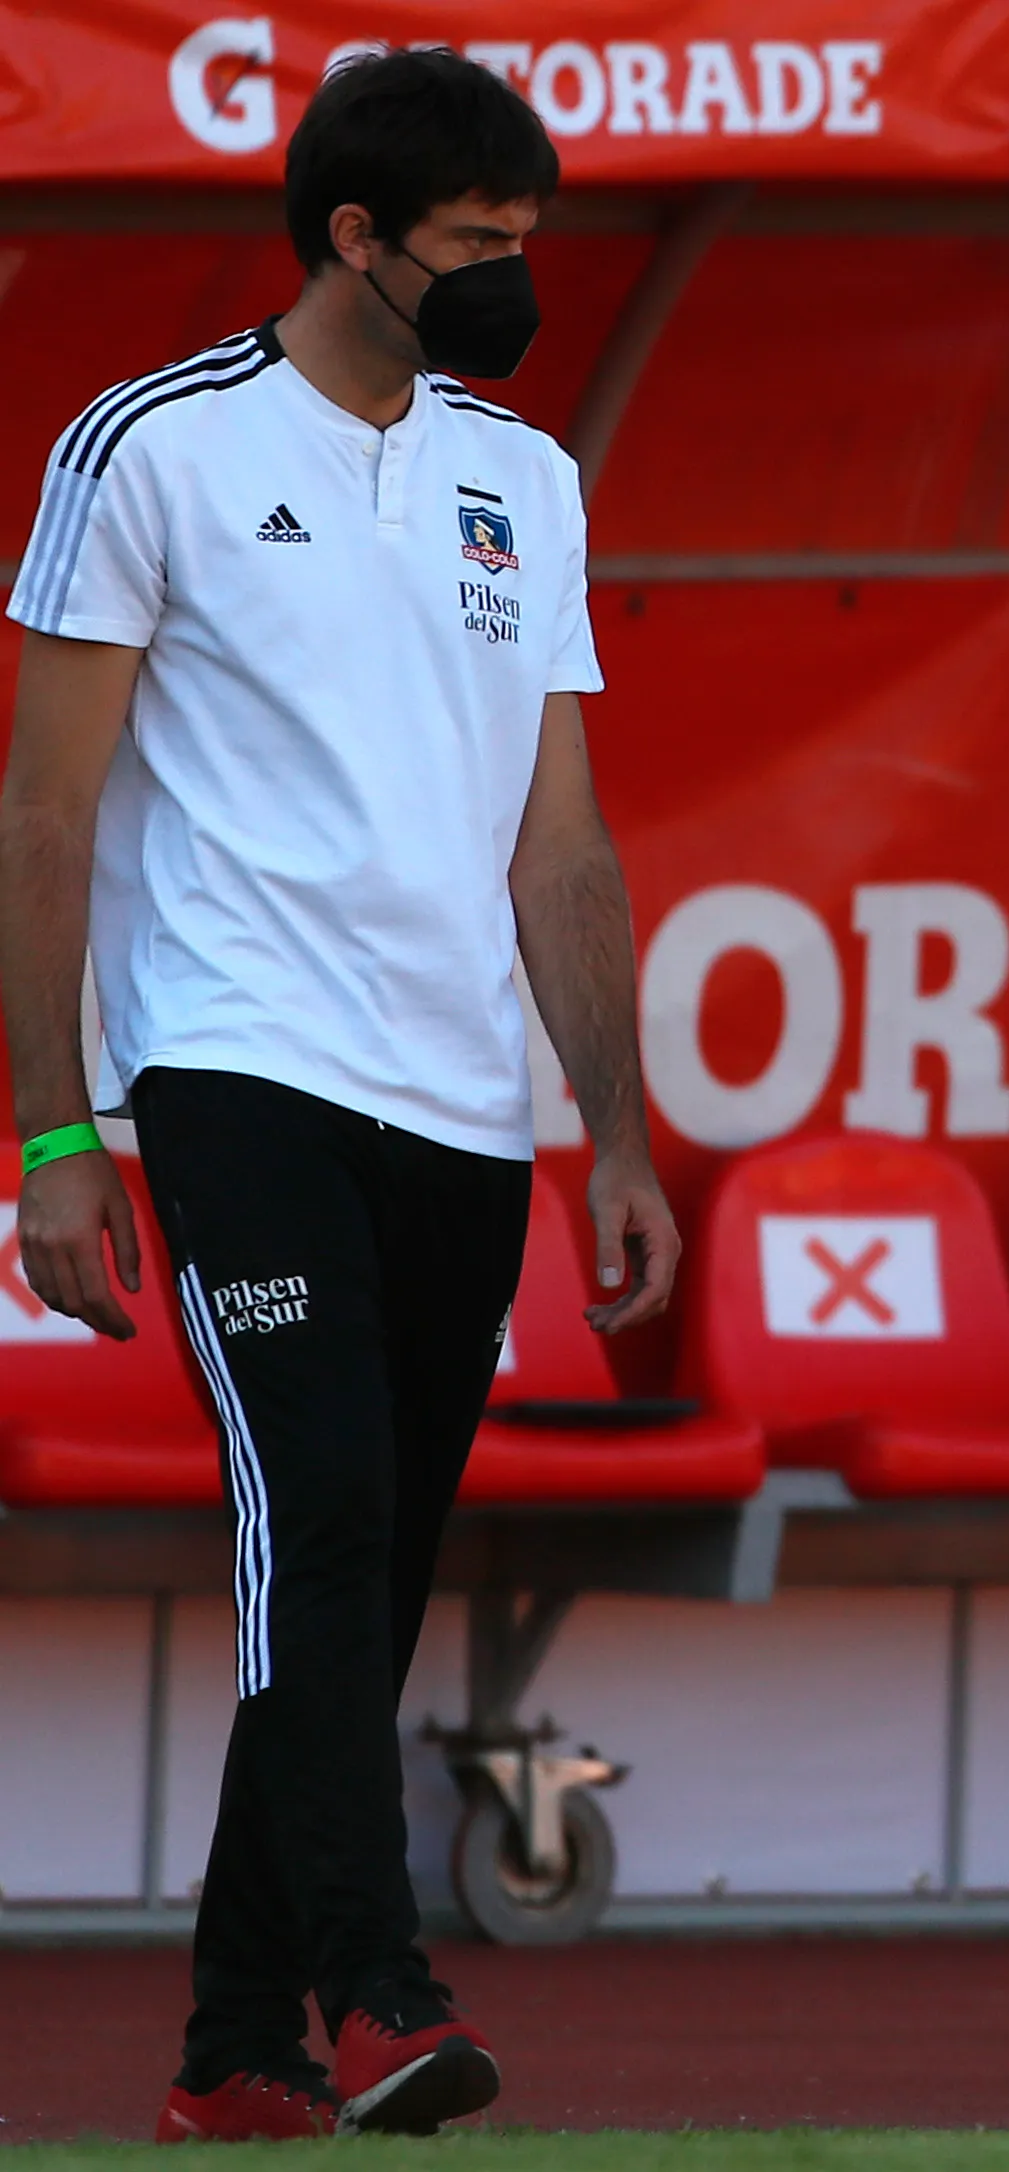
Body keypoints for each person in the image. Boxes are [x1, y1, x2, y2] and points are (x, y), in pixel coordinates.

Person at [0, 50, 674, 2142]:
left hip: (464, 1103)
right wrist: (53, 1132)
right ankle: (378, 1991)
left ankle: (227, 2048)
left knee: (351, 1579)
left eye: (526, 249)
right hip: (233, 1064)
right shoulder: (153, 447)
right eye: (473, 251)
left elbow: (559, 841)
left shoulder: (527, 475)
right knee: (330, 1515)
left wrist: (617, 1130)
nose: (511, 285)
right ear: (352, 239)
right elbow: (46, 807)